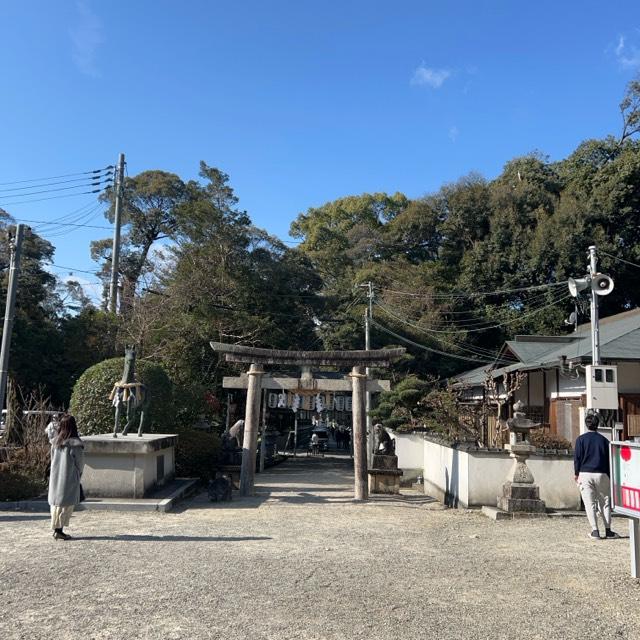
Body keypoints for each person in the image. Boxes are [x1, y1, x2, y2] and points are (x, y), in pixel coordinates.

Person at [574, 411, 618, 540]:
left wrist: (576, 473)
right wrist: (609, 476)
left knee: (589, 503)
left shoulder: (581, 440)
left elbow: (577, 458)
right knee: (605, 502)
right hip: (602, 473)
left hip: (585, 473)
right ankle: (608, 531)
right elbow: (609, 460)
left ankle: (595, 531)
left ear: (587, 425)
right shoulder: (605, 441)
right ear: (597, 425)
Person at [48, 414, 84, 541]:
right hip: (69, 477)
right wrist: (79, 474)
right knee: (66, 505)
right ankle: (59, 530)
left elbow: (52, 460)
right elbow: (80, 463)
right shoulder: (75, 444)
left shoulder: (56, 442)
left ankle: (57, 529)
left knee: (56, 504)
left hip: (55, 476)